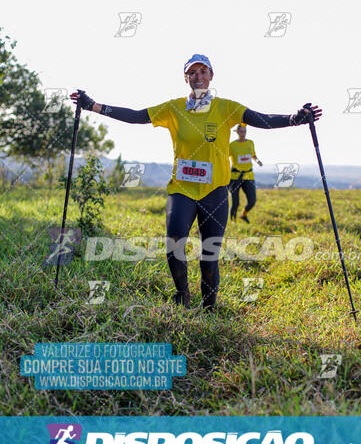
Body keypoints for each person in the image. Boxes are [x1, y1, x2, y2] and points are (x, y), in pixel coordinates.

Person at [70, 53, 322, 313]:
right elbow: (136, 116)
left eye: (203, 72)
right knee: (174, 243)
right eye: (193, 72)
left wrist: (295, 118)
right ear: (186, 78)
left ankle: (209, 309)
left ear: (211, 76)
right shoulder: (174, 108)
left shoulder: (227, 107)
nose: (198, 76)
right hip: (182, 190)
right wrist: (93, 106)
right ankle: (182, 296)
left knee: (208, 256)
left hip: (215, 192)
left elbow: (262, 120)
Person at [229, 123, 262, 223]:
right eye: (241, 131)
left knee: (252, 201)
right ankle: (232, 221)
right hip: (235, 177)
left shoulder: (250, 143)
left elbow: (253, 155)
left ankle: (243, 215)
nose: (243, 133)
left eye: (245, 131)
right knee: (236, 203)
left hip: (248, 176)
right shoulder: (232, 145)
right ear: (237, 132)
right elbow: (224, 156)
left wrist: (257, 161)